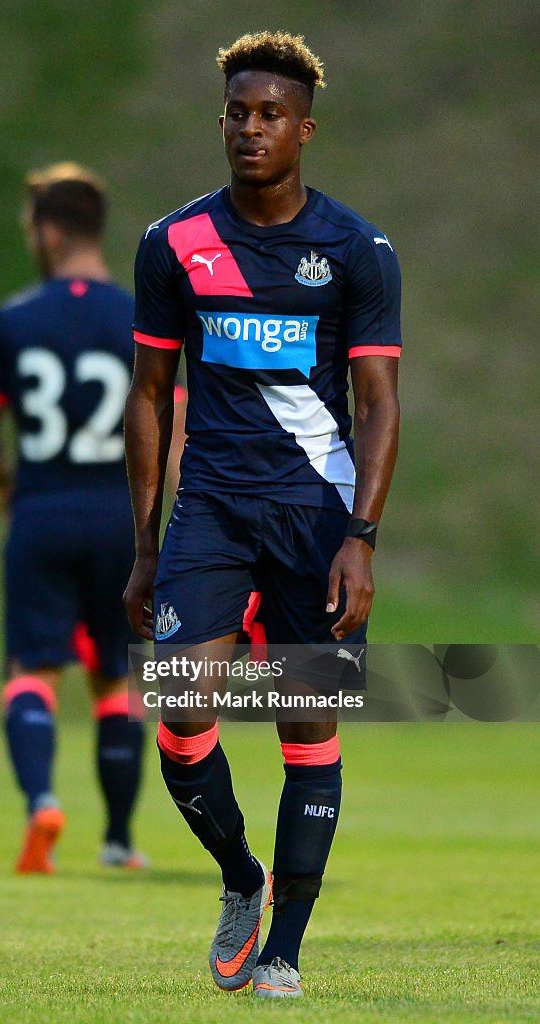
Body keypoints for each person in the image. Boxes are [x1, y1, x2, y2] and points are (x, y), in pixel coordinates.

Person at [123, 31, 401, 999]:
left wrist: (359, 539)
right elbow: (150, 394)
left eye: (269, 114)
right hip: (211, 511)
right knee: (183, 705)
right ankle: (241, 879)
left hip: (314, 518)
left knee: (304, 724)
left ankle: (284, 946)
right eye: (237, 112)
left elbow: (377, 405)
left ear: (304, 130)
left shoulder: (355, 251)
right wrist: (144, 544)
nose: (250, 128)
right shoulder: (174, 243)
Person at [0, 163, 171, 874]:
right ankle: (117, 840)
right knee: (118, 678)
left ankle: (42, 803)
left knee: (32, 669)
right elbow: (169, 432)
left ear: (48, 232)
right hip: (120, 517)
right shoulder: (137, 316)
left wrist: (5, 483)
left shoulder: (16, 317)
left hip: (42, 511)